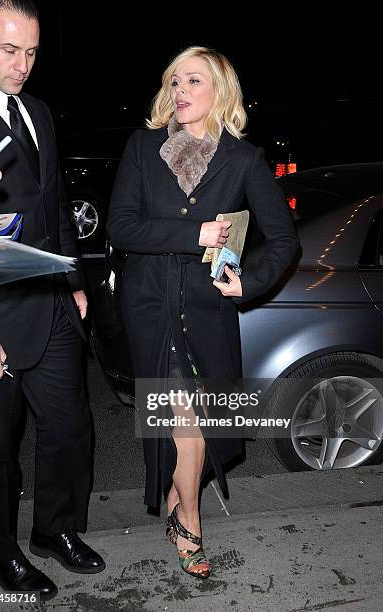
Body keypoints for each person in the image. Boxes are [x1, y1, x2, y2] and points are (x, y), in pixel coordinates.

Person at [107, 46, 299, 579]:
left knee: (202, 421)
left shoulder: (243, 160)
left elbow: (283, 241)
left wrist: (250, 283)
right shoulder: (143, 149)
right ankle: (189, 519)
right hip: (150, 306)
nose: (180, 92)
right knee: (183, 424)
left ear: (220, 92)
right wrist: (193, 235)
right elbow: (120, 227)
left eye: (193, 81)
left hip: (207, 310)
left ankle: (175, 497)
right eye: (174, 82)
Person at [0, 0, 105, 601]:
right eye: (9, 50)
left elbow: (53, 205)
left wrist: (74, 279)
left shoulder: (40, 112)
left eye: (30, 51)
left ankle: (55, 530)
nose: (22, 64)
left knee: (68, 427)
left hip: (51, 300)